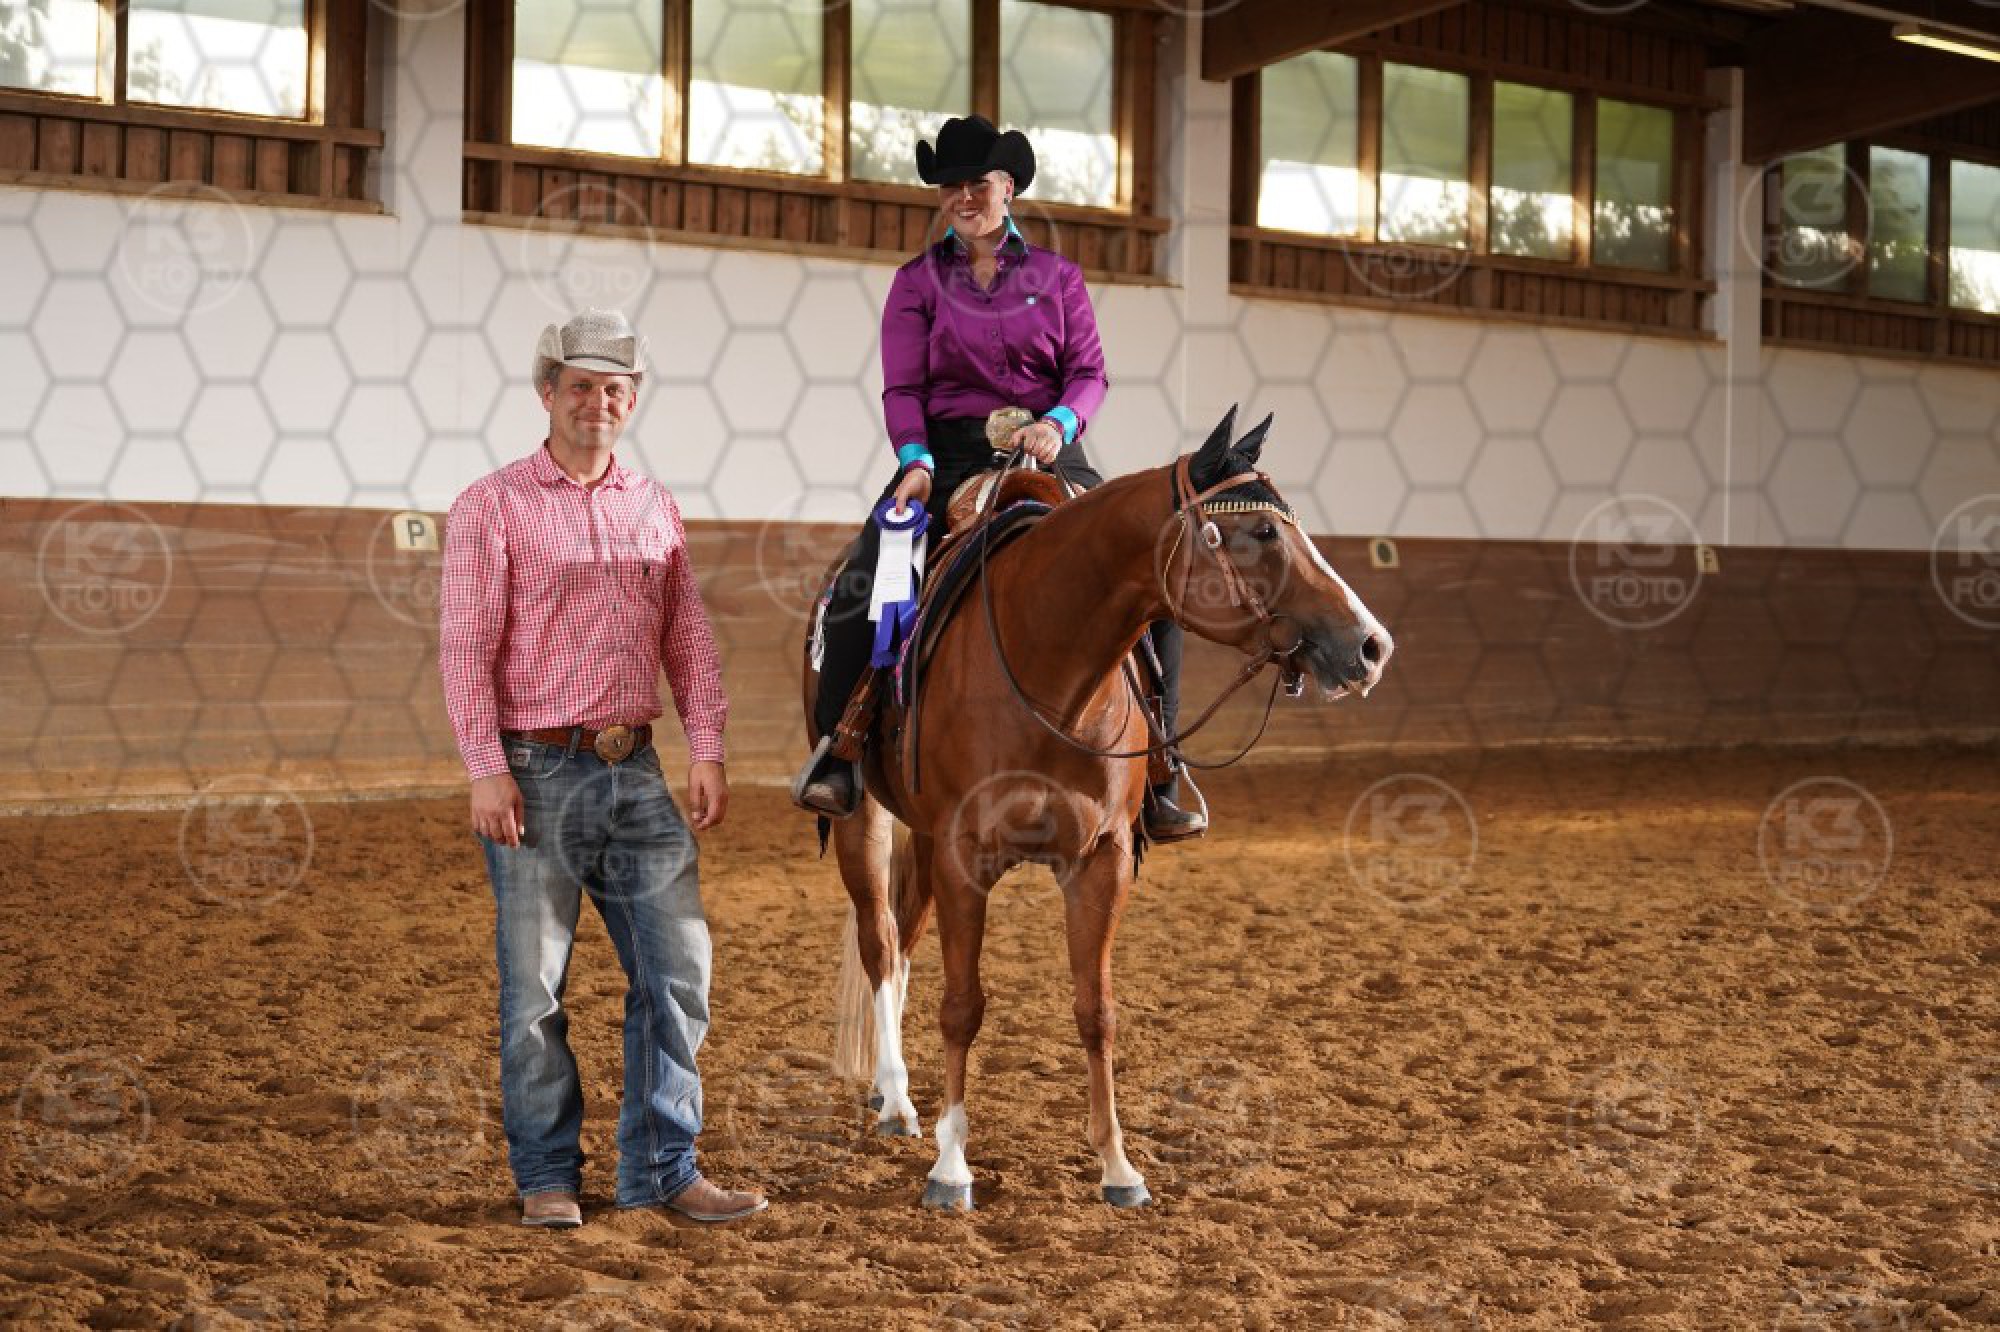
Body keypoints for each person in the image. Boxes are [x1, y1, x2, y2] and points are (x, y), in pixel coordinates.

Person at [438, 308, 766, 1229]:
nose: (599, 402)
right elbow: (466, 648)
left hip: (638, 772)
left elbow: (686, 635)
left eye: (615, 389)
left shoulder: (654, 507)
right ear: (547, 393)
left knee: (678, 971)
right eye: (581, 386)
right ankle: (547, 1174)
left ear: (633, 400)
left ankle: (662, 1169)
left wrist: (708, 745)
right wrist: (485, 766)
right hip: (536, 771)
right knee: (533, 991)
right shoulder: (491, 505)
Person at [792, 115, 1204, 841]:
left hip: (1050, 447)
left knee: (1151, 566)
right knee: (866, 577)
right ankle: (843, 745)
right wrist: (915, 460)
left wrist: (1061, 424)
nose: (962, 197)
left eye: (976, 183)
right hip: (946, 455)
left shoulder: (1058, 277)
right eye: (950, 186)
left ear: (1007, 186)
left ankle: (1164, 764)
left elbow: (1089, 372)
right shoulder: (915, 283)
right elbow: (903, 389)